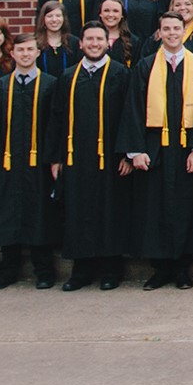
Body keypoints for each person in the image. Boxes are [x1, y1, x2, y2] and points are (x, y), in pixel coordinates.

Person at [123, 13, 193, 290]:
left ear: (184, 31)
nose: (172, 33)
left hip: (185, 151)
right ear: (159, 33)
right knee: (154, 209)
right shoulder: (146, 66)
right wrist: (135, 151)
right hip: (154, 151)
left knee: (185, 207)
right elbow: (134, 109)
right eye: (166, 29)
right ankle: (159, 269)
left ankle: (182, 268)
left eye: (177, 28)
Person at [57, 22, 134, 291]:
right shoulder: (68, 76)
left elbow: (129, 115)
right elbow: (57, 119)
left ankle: (112, 270)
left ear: (107, 43)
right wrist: (57, 157)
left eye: (98, 39)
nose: (93, 43)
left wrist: (126, 154)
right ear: (81, 44)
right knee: (79, 210)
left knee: (109, 210)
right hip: (77, 157)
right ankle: (81, 271)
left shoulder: (120, 74)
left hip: (110, 157)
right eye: (88, 39)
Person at [0, 33, 62, 289]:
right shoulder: (0, 86)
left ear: (38, 53)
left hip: (38, 162)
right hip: (7, 162)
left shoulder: (50, 84)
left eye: (30, 49)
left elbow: (56, 126)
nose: (25, 54)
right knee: (7, 213)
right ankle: (7, 271)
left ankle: (44, 270)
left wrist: (55, 158)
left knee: (39, 214)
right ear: (12, 54)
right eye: (20, 50)